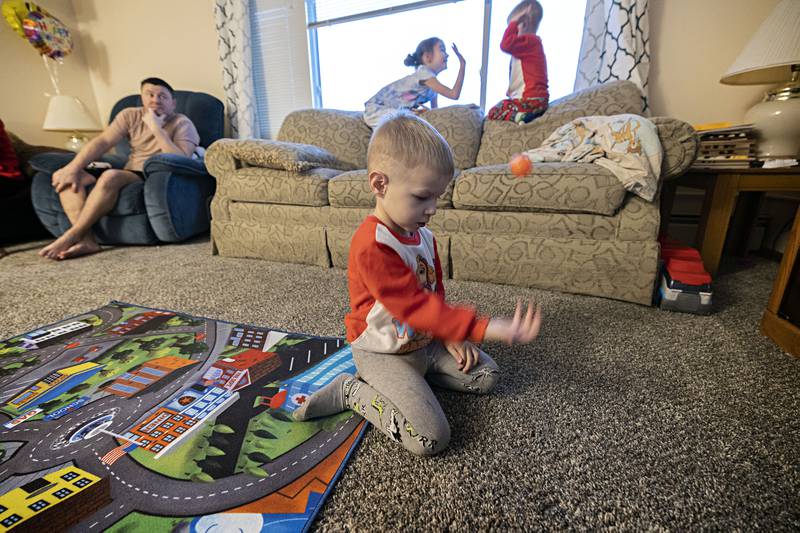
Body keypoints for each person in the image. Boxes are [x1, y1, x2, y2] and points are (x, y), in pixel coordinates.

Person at [293, 112, 543, 456]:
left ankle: (413, 384)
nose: (433, 209)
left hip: (422, 342)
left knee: (486, 375)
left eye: (437, 197)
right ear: (380, 184)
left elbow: (433, 293)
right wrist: (484, 327)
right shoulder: (372, 245)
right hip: (382, 352)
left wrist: (450, 334)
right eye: (423, 197)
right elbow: (414, 305)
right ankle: (350, 391)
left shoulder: (423, 235)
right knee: (429, 438)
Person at [39, 77, 200, 260]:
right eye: (150, 95)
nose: (155, 100)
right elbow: (104, 141)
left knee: (110, 176)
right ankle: (87, 240)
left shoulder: (182, 123)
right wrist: (72, 167)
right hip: (128, 169)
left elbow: (180, 160)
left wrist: (156, 128)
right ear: (142, 98)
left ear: (173, 103)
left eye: (163, 96)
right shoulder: (130, 114)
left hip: (150, 173)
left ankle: (72, 234)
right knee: (69, 178)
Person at [363, 37, 466, 128]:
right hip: (376, 109)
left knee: (408, 120)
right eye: (442, 50)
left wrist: (427, 112)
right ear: (427, 57)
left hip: (386, 113)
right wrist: (462, 64)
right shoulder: (424, 73)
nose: (447, 54)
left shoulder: (433, 88)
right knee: (406, 120)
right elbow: (454, 94)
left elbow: (435, 112)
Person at [487, 0, 549, 124]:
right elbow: (520, 78)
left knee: (495, 110)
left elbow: (505, 44)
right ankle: (522, 115)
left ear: (524, 24)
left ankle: (519, 117)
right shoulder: (529, 46)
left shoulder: (531, 42)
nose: (512, 31)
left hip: (531, 100)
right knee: (504, 104)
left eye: (514, 29)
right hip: (536, 101)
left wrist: (514, 22)